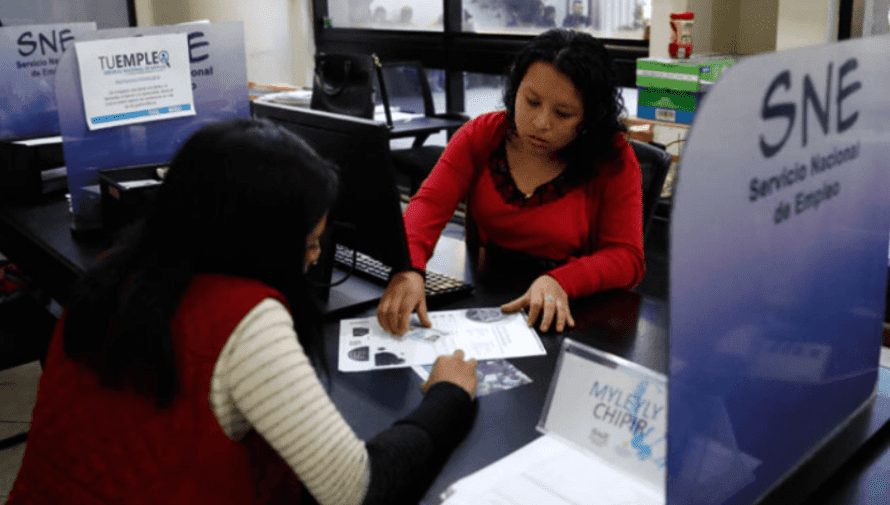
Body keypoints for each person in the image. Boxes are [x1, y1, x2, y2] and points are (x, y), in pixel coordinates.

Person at [8, 119, 478, 505]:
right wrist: (448, 395)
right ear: (259, 242)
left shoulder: (114, 275)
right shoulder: (244, 318)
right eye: (309, 245)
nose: (314, 259)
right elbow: (356, 489)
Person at [377, 29, 643, 336]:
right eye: (531, 102)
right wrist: (409, 268)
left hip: (573, 313)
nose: (541, 123)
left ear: (589, 117)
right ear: (515, 90)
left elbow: (627, 257)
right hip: (491, 302)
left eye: (563, 114)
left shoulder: (612, 157)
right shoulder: (482, 135)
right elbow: (429, 204)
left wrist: (561, 280)